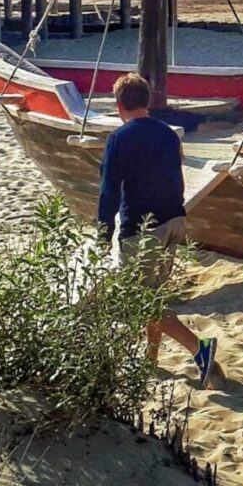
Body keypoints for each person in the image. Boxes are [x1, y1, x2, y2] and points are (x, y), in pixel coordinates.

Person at [98, 73, 223, 389]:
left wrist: (103, 232)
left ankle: (200, 350)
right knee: (152, 294)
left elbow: (108, 192)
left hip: (143, 229)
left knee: (142, 299)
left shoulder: (119, 138)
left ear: (119, 105)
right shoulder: (168, 134)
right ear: (147, 101)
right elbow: (176, 178)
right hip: (173, 222)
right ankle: (150, 360)